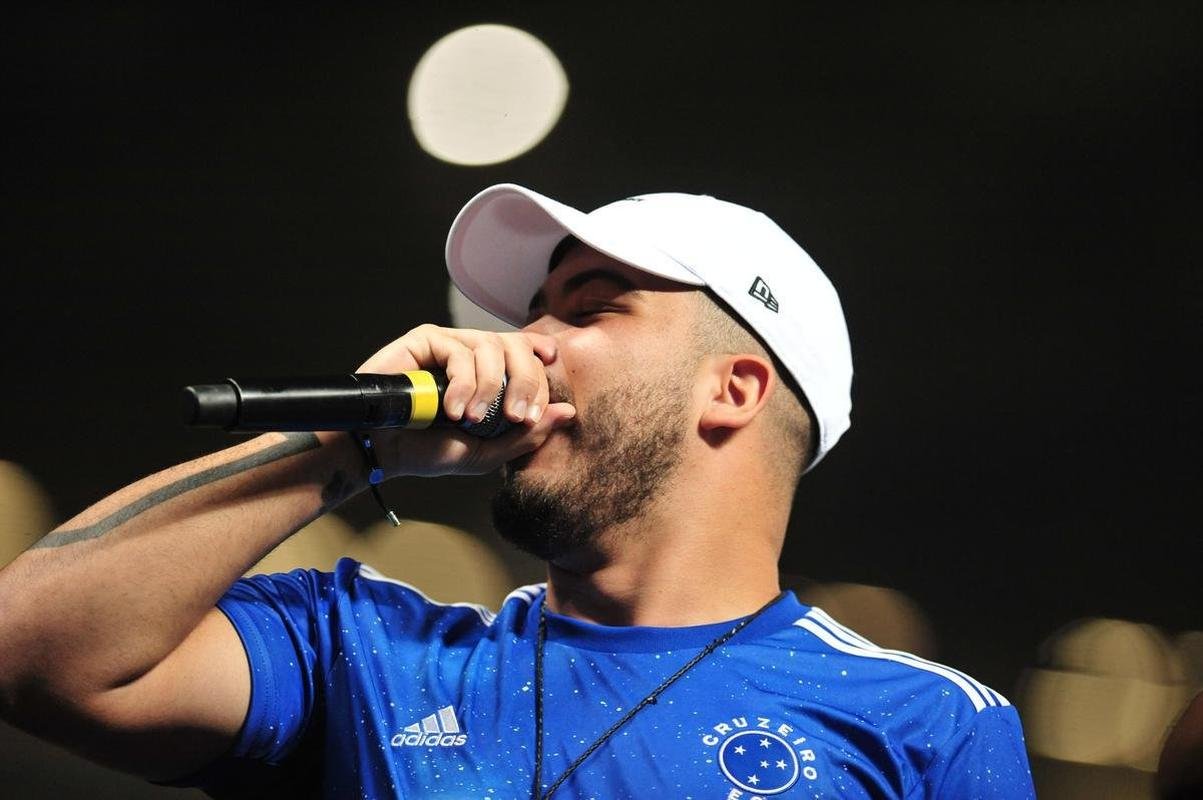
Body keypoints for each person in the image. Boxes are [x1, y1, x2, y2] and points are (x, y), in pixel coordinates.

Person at [0, 184, 1036, 798]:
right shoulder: (363, 651)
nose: (526, 343)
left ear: (734, 388)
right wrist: (341, 441)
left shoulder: (928, 726)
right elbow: (32, 650)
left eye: (589, 309)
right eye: (533, 311)